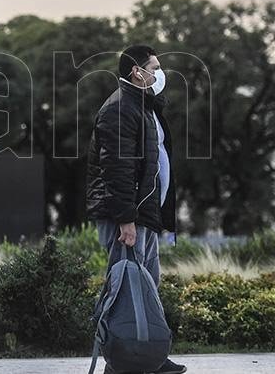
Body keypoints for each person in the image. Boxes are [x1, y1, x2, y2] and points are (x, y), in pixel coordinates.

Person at [85, 45, 185, 374]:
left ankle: (149, 355)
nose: (160, 74)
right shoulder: (119, 109)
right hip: (127, 217)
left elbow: (155, 163)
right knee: (122, 287)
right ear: (136, 72)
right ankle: (117, 361)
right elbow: (117, 169)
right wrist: (125, 219)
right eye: (153, 68)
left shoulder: (144, 106)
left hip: (145, 214)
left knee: (146, 285)